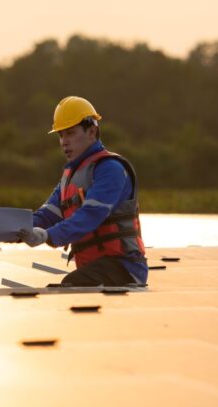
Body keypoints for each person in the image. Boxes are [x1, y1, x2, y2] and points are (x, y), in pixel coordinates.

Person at [17, 96, 148, 286]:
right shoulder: (69, 177)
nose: (64, 142)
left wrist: (48, 235)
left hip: (124, 268)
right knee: (70, 286)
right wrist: (10, 229)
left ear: (92, 132)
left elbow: (90, 215)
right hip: (95, 268)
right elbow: (46, 215)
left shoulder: (110, 169)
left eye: (70, 133)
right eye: (61, 135)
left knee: (69, 286)